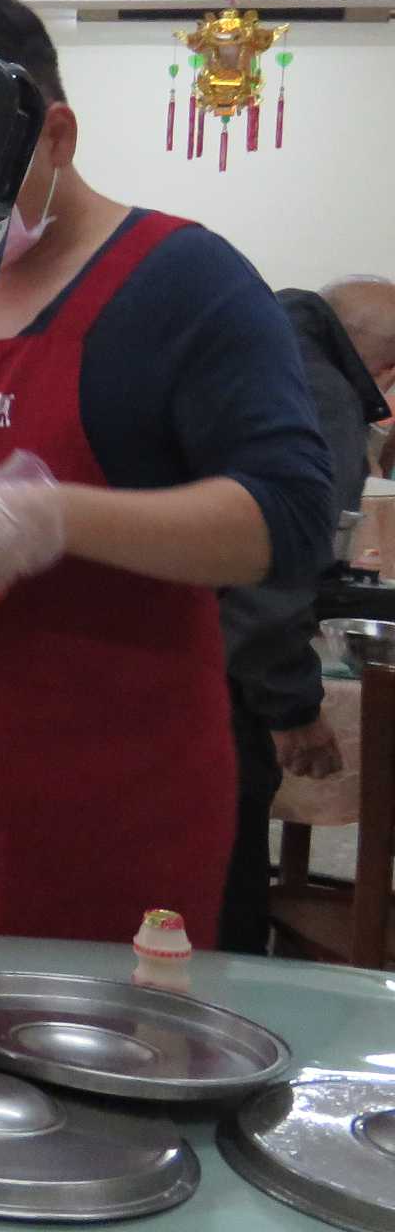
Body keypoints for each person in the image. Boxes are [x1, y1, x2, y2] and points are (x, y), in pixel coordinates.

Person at [0, 0, 333, 947]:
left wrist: (57, 519)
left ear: (56, 136)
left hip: (117, 804)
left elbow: (292, 516)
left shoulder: (184, 284)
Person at [218, 276, 395, 951]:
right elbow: (279, 569)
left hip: (149, 647)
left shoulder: (258, 348)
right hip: (222, 664)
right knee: (222, 873)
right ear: (385, 369)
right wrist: (290, 706)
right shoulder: (324, 395)